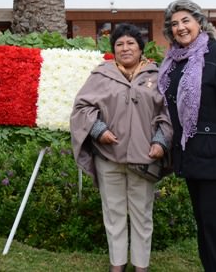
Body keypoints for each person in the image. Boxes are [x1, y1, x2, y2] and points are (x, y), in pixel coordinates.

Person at [158, 0, 216, 272]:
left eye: (186, 20)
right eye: (174, 24)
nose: (180, 27)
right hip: (191, 157)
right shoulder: (175, 61)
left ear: (200, 22)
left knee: (215, 227)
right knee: (204, 224)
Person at [70, 23, 172, 272]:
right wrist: (98, 130)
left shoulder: (156, 76)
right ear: (113, 49)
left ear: (140, 48)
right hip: (109, 158)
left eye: (130, 43)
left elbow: (168, 114)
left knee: (141, 214)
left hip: (144, 159)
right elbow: (82, 108)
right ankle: (117, 263)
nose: (125, 48)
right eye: (119, 44)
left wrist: (160, 142)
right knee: (113, 213)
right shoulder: (101, 75)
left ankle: (141, 265)